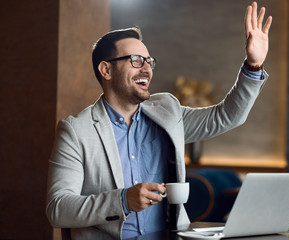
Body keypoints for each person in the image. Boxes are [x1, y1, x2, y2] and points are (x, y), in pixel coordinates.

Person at [46, 2, 272, 239]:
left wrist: (253, 65)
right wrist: (122, 200)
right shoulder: (76, 131)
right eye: (136, 60)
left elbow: (226, 116)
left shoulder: (167, 111)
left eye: (148, 61)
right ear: (106, 70)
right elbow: (58, 208)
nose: (146, 68)